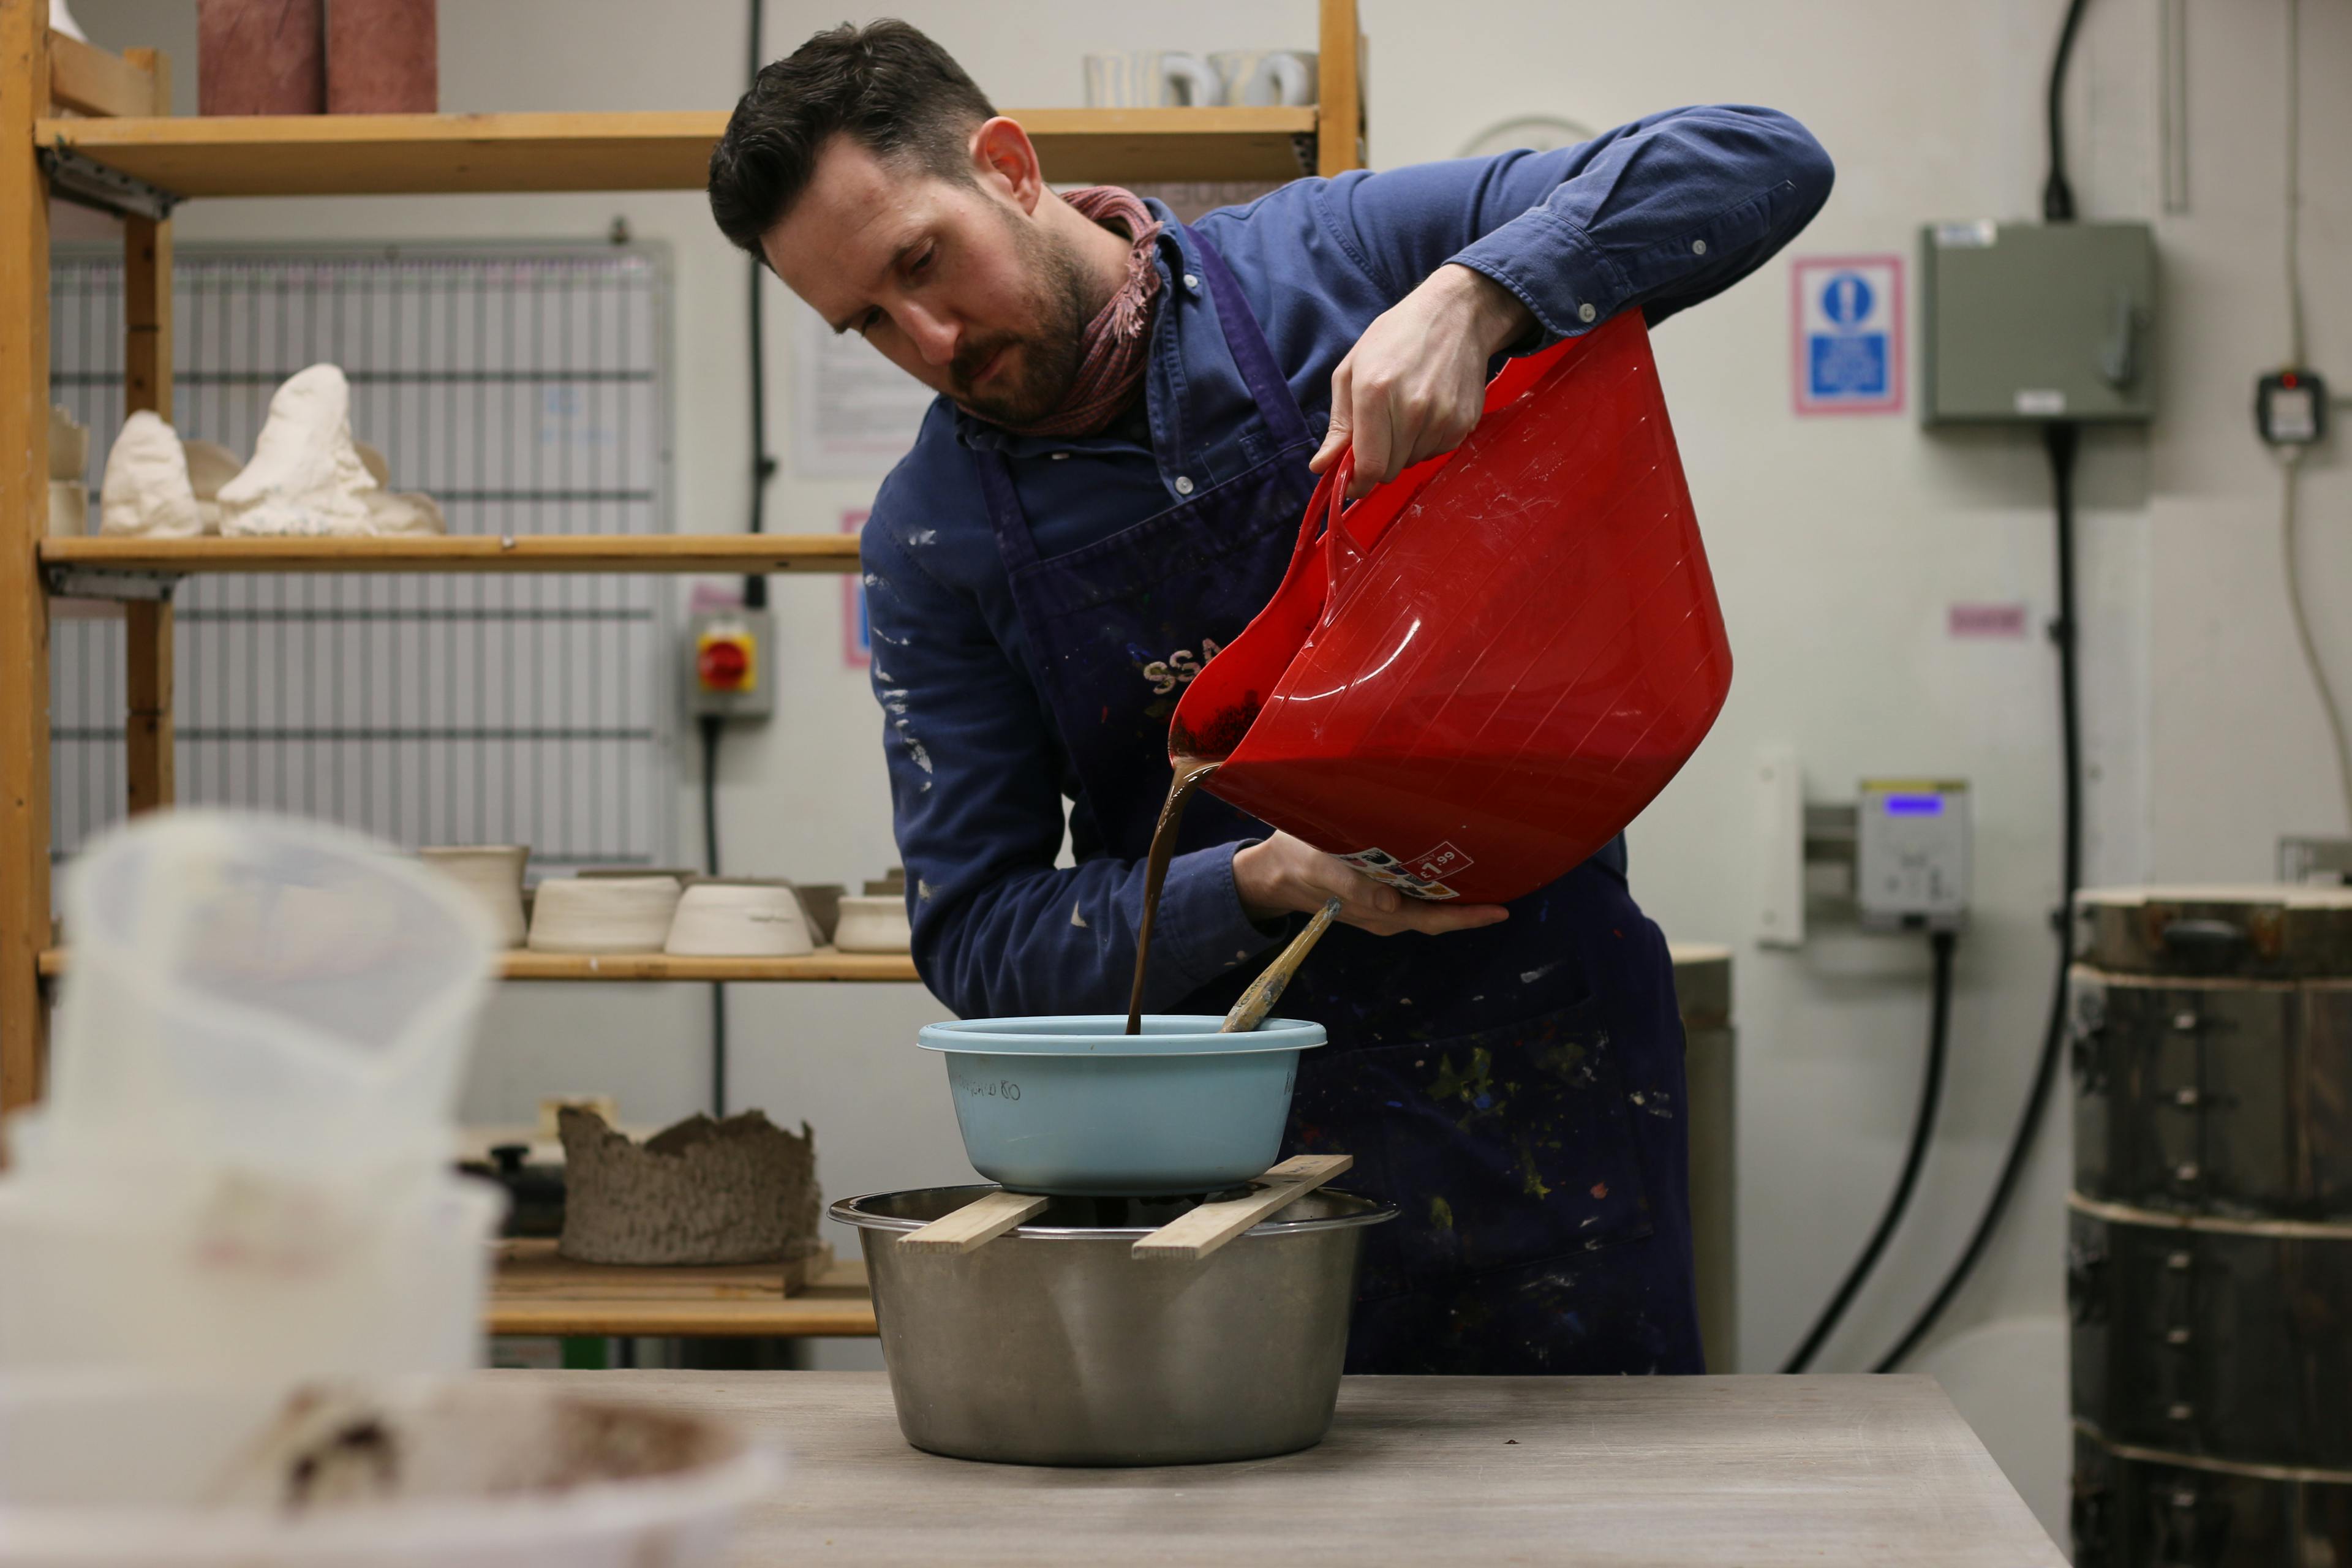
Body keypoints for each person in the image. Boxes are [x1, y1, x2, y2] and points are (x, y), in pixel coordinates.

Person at [710, 21, 1831, 1375]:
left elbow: (1764, 157)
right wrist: (1259, 877)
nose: (931, 339)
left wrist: (1481, 296)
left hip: (1548, 1072)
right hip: (1228, 1166)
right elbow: (983, 938)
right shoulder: (934, 539)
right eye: (870, 324)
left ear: (1007, 166)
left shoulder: (1340, 261)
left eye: (920, 263)